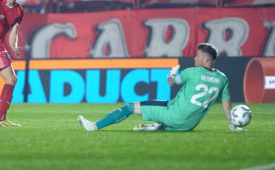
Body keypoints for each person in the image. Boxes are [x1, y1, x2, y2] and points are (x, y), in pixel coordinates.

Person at [78, 43, 243, 131]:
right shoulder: (222, 79)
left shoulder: (192, 72)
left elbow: (172, 82)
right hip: (188, 125)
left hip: (174, 115)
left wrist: (170, 74)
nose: (194, 58)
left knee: (130, 107)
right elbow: (227, 105)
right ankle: (157, 126)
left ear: (205, 60)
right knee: (163, 103)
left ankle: (94, 126)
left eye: (198, 56)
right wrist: (233, 126)